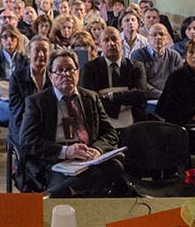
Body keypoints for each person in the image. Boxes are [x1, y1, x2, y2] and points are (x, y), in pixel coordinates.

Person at [20, 50, 124, 197]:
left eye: (70, 69)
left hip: (88, 159)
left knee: (116, 167)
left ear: (78, 73)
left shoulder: (91, 98)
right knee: (85, 181)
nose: (66, 74)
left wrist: (97, 149)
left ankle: (69, 191)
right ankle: (68, 191)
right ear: (50, 76)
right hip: (56, 162)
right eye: (59, 70)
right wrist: (65, 151)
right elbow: (27, 141)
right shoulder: (37, 102)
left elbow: (110, 133)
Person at [81, 27, 147, 124]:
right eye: (106, 40)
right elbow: (88, 99)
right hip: (100, 123)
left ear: (122, 42)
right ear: (100, 45)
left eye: (114, 39)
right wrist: (125, 99)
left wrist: (109, 96)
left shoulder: (136, 67)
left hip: (132, 123)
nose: (111, 43)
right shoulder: (90, 68)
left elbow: (140, 95)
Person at [0, 27, 27, 155]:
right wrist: (14, 83)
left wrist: (1, 80)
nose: (9, 40)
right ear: (0, 40)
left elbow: (25, 83)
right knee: (18, 110)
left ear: (18, 40)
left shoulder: (24, 60)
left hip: (18, 99)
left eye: (13, 37)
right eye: (5, 37)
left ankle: (15, 140)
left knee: (24, 108)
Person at [9, 37, 51, 146]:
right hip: (24, 125)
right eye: (37, 50)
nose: (41, 54)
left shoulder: (53, 76)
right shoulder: (17, 77)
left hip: (48, 125)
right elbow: (17, 110)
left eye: (45, 51)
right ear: (29, 53)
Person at [131, 24, 183, 99]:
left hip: (170, 99)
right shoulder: (138, 55)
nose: (158, 37)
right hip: (147, 99)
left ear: (167, 39)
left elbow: (180, 81)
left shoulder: (174, 56)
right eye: (154, 35)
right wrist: (163, 95)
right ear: (148, 38)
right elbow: (140, 84)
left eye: (161, 34)